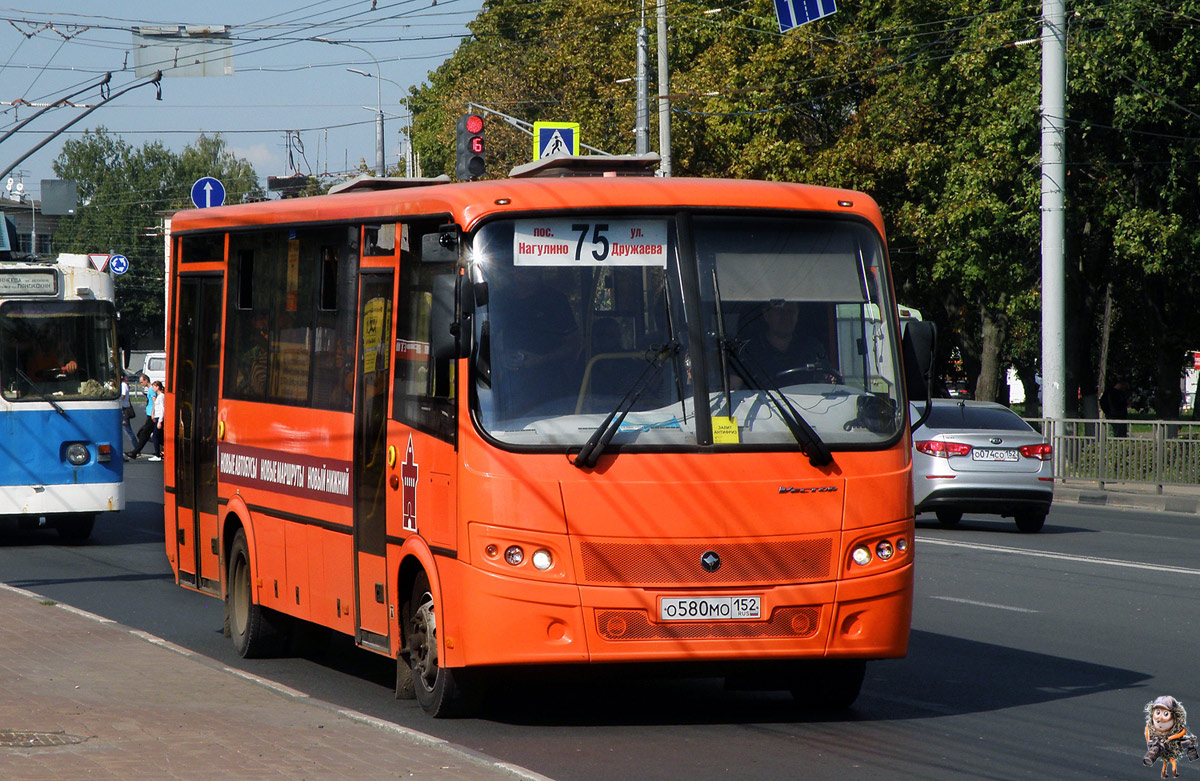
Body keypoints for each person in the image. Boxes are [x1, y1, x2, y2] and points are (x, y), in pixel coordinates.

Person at [736, 301, 833, 385]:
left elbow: (826, 383)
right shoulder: (747, 352)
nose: (786, 316)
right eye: (780, 311)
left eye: (791, 311)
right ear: (766, 315)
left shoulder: (812, 347)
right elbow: (733, 388)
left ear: (797, 314)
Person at [126, 375, 159, 460]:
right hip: (150, 415)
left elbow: (155, 402)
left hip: (151, 416)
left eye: (141, 382)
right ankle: (157, 451)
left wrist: (152, 413)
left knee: (143, 434)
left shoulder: (151, 390)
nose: (141, 384)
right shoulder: (150, 390)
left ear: (146, 380)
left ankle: (135, 452)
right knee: (147, 434)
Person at [119, 374, 138, 449]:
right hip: (122, 409)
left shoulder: (123, 385)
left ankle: (137, 448)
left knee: (128, 431)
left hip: (124, 410)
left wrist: (116, 398)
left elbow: (123, 395)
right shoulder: (122, 385)